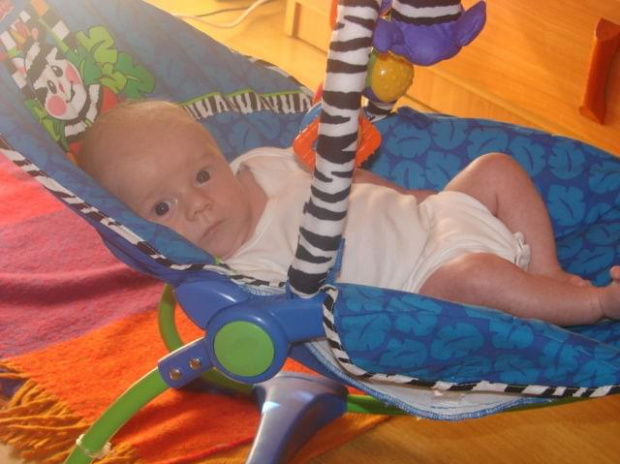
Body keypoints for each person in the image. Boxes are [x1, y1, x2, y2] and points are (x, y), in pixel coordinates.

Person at [78, 100, 620, 327]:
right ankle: (594, 303)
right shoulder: (245, 272)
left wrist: (412, 197)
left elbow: (342, 179)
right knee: (477, 275)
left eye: (202, 175)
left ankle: (546, 271)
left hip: (434, 220)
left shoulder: (260, 166)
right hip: (424, 279)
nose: (198, 203)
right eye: (164, 206)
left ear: (218, 155)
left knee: (495, 167)